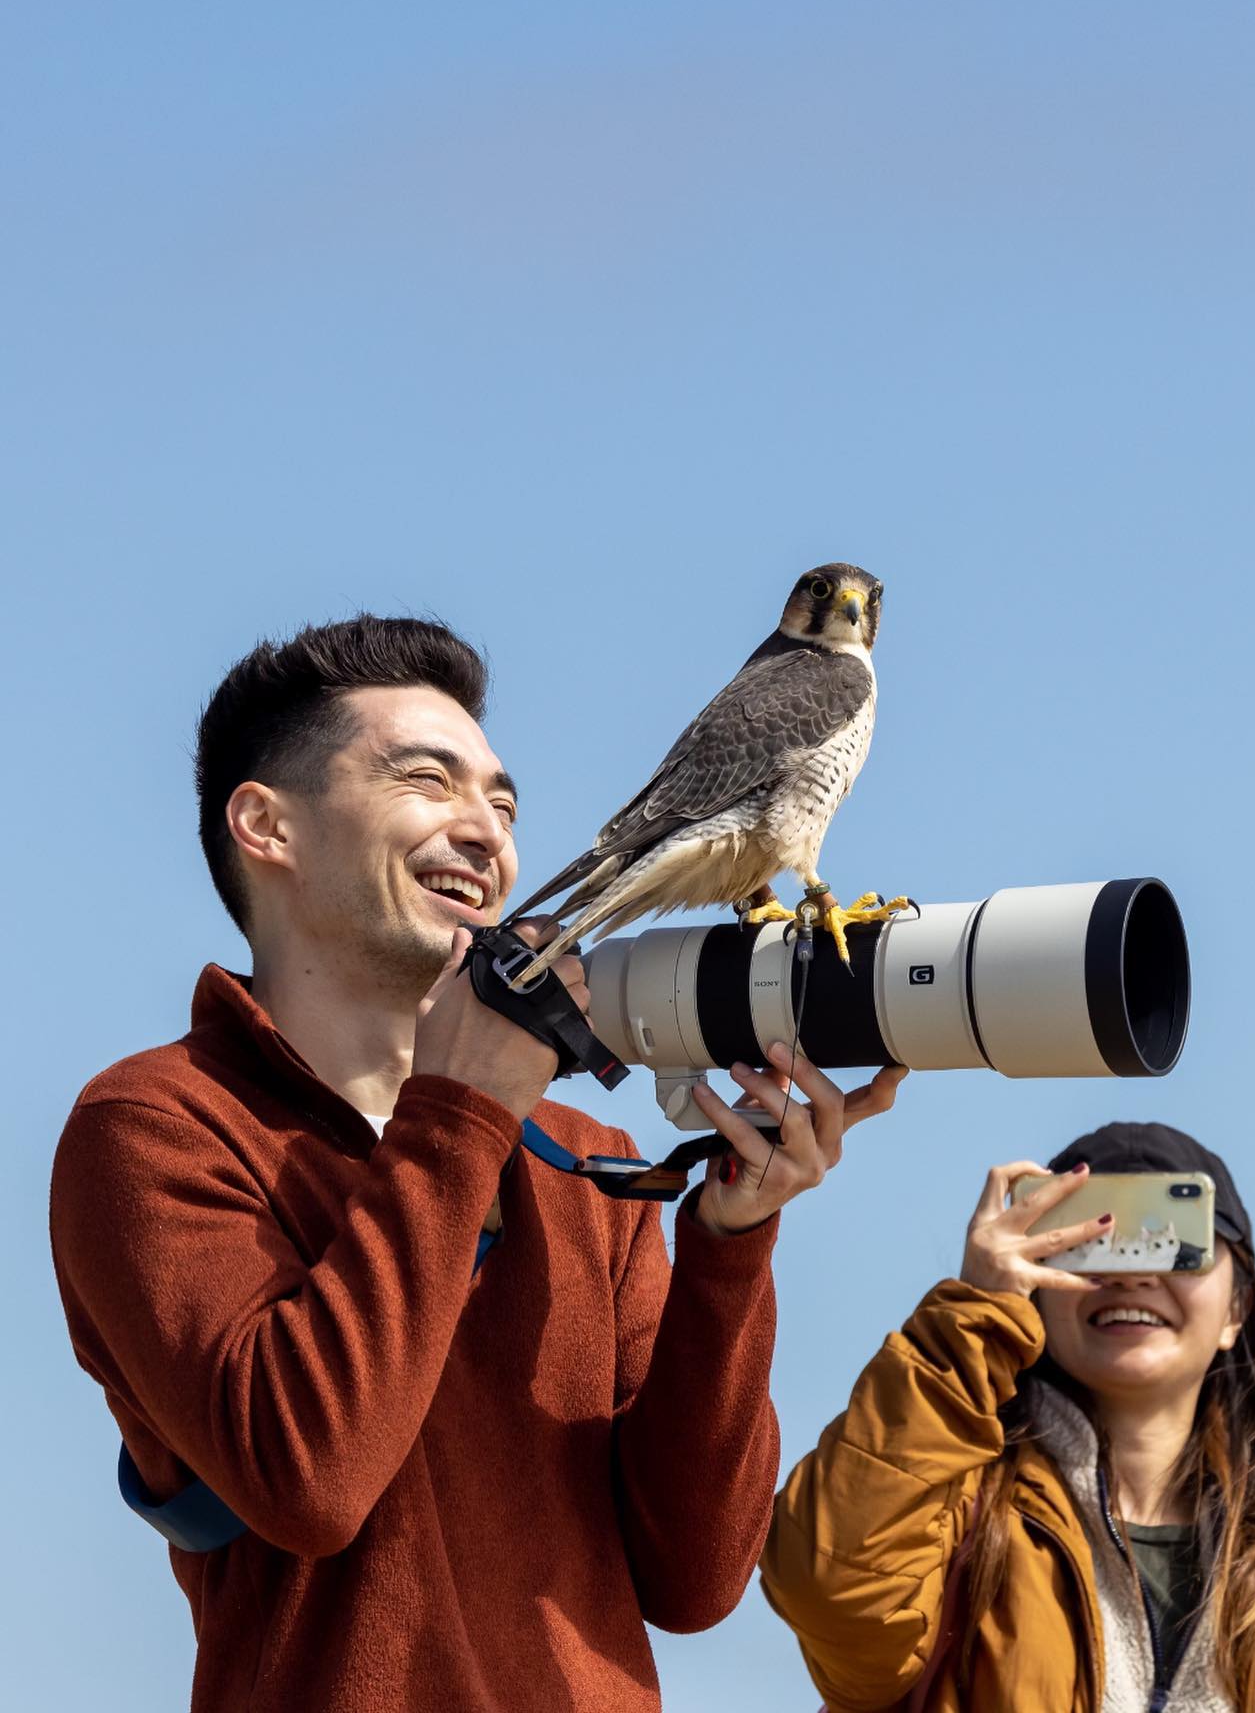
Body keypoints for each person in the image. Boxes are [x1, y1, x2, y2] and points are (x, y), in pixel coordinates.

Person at [50, 614, 906, 1713]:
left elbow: (696, 1576)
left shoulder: (585, 1161)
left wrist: (730, 1245)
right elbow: (310, 1480)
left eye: (502, 803)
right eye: (428, 782)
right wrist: (462, 1114)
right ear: (267, 826)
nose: (487, 833)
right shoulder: (156, 1125)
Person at [760, 1123, 1255, 1712]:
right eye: (1088, 1243)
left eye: (1173, 1240)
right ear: (1034, 1284)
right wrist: (975, 1314)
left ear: (1235, 1312)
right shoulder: (947, 1519)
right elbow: (832, 1590)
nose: (1132, 1273)